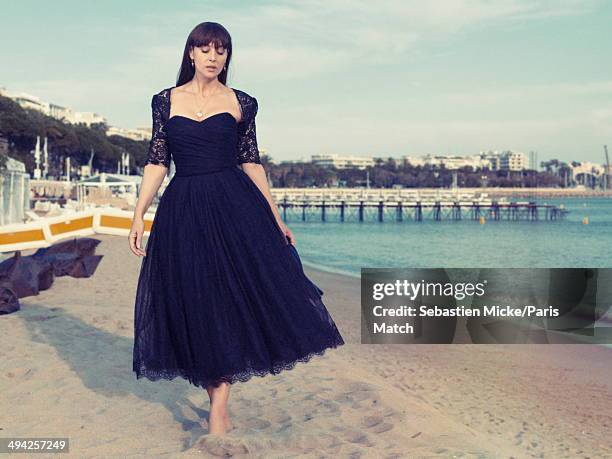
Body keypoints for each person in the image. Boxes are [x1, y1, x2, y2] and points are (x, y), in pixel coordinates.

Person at [128, 22, 345, 436]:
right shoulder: (164, 101)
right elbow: (157, 161)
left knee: (228, 301)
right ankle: (216, 397)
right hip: (184, 210)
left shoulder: (242, 102)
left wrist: (275, 215)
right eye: (205, 49)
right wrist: (139, 214)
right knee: (196, 300)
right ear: (190, 53)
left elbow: (251, 162)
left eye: (221, 50)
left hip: (234, 206)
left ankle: (218, 408)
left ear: (228, 56)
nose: (213, 57)